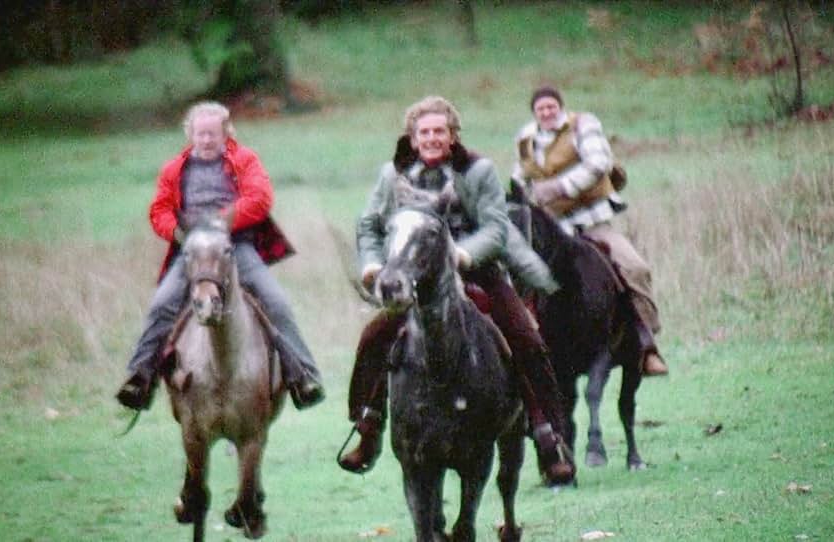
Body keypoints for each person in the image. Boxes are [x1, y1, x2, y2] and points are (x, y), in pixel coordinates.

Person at [338, 96, 575, 484]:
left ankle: (548, 435)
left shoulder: (478, 171)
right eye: (424, 132)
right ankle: (368, 425)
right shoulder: (391, 175)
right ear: (412, 139)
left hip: (475, 270)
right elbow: (369, 225)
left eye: (439, 131)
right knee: (374, 336)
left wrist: (462, 255)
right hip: (412, 277)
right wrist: (373, 265)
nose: (431, 138)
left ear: (452, 136)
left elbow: (497, 228)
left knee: (526, 337)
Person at [115, 101, 324, 412]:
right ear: (191, 135)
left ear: (226, 133)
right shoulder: (174, 170)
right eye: (201, 134)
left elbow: (259, 198)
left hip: (235, 246)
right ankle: (140, 377)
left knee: (276, 301)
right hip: (194, 249)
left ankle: (303, 375)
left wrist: (221, 221)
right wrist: (178, 232)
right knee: (162, 304)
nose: (207, 140)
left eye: (213, 134)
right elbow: (159, 210)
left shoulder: (245, 160)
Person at [511, 85, 669, 377]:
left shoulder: (584, 125)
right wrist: (519, 194)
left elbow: (599, 164)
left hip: (590, 222)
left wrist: (558, 187)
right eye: (540, 108)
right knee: (515, 274)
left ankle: (646, 345)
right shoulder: (526, 137)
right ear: (534, 112)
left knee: (634, 268)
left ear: (560, 106)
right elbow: (520, 173)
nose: (546, 112)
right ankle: (519, 349)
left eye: (551, 106)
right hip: (549, 229)